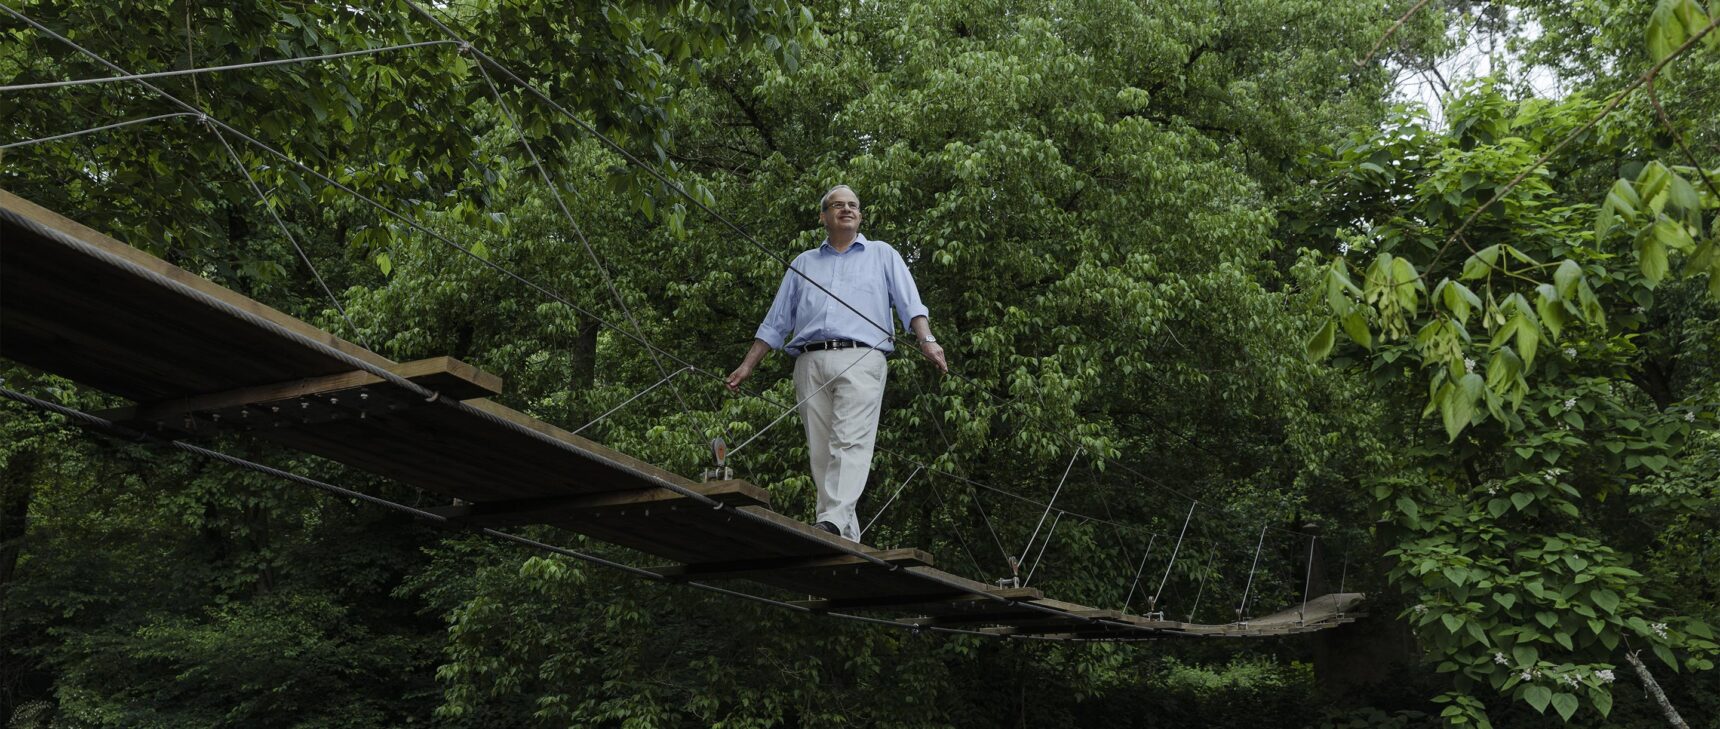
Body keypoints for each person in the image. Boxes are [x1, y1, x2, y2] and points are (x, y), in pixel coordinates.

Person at [726, 184, 947, 541]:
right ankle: (843, 534)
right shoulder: (803, 263)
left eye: (853, 205)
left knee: (850, 441)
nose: (847, 209)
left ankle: (829, 520)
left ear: (860, 215)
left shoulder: (882, 254)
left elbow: (910, 303)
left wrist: (928, 341)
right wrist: (748, 365)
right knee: (822, 449)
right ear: (823, 216)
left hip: (862, 357)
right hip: (809, 362)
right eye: (837, 205)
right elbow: (776, 321)